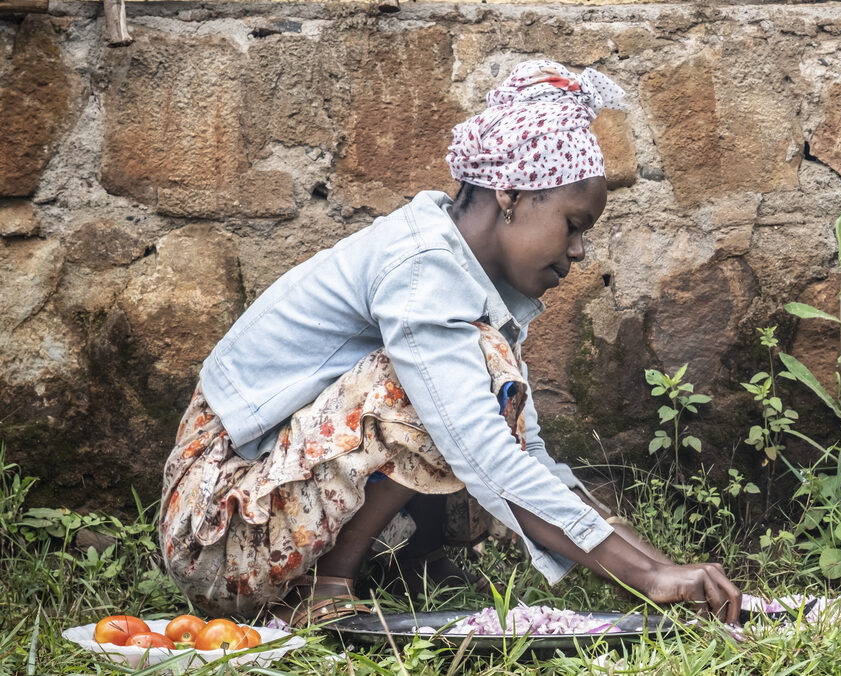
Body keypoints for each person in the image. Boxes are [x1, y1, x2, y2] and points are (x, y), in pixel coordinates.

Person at [157, 60, 742, 626]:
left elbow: (526, 453)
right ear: (510, 194)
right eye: (573, 224)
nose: (580, 252)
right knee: (424, 388)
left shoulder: (461, 279)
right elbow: (482, 451)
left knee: (474, 381)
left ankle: (402, 570)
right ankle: (328, 590)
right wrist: (644, 577)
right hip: (215, 534)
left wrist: (666, 571)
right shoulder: (423, 269)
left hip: (263, 512)